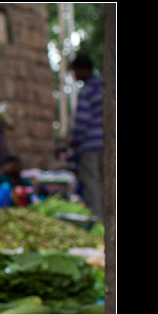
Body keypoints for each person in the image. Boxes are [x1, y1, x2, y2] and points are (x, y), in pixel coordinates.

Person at [68, 54, 105, 219]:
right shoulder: (106, 85)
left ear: (83, 69)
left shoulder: (87, 90)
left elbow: (82, 122)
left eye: (75, 71)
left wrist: (73, 141)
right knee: (108, 182)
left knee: (92, 184)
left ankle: (98, 221)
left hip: (91, 145)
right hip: (108, 143)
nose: (74, 75)